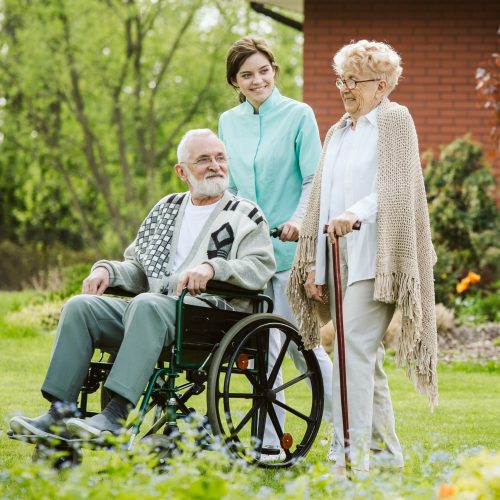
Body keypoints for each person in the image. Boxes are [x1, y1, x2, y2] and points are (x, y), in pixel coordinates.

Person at [10, 129, 275, 439]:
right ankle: (60, 413)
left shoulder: (245, 214)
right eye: (203, 160)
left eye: (220, 158)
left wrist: (213, 268)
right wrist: (107, 272)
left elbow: (261, 267)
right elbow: (138, 266)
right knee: (80, 307)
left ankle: (117, 414)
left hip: (208, 318)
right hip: (149, 314)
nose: (215, 166)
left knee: (146, 304)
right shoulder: (166, 208)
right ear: (182, 171)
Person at [287, 40, 438, 475]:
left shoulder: (394, 120)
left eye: (354, 81)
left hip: (379, 258)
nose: (345, 88)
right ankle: (388, 458)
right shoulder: (337, 131)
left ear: (383, 85)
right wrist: (314, 264)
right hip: (337, 258)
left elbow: (395, 186)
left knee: (352, 351)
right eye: (342, 79)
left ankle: (352, 459)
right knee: (363, 360)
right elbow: (322, 198)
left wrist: (356, 213)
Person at [218, 35, 334, 453]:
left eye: (263, 71)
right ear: (235, 81)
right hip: (250, 256)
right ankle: (270, 444)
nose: (257, 80)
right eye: (247, 75)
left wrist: (299, 221)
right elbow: (229, 187)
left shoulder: (299, 115)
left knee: (302, 347)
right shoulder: (228, 123)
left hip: (289, 252)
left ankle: (350, 432)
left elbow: (312, 180)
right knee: (262, 351)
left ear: (274, 70)